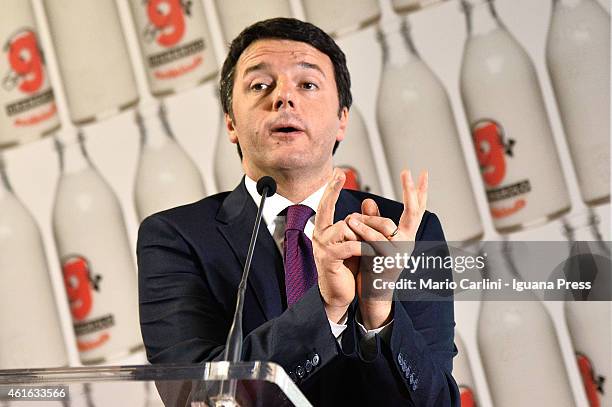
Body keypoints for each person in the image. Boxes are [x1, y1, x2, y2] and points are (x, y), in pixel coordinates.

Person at [137, 17, 460, 406]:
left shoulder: (407, 233)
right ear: (231, 123)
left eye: (307, 84)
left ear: (342, 119)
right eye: (260, 85)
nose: (283, 98)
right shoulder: (177, 237)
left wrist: (378, 312)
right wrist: (326, 305)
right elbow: (193, 395)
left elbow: (438, 401)